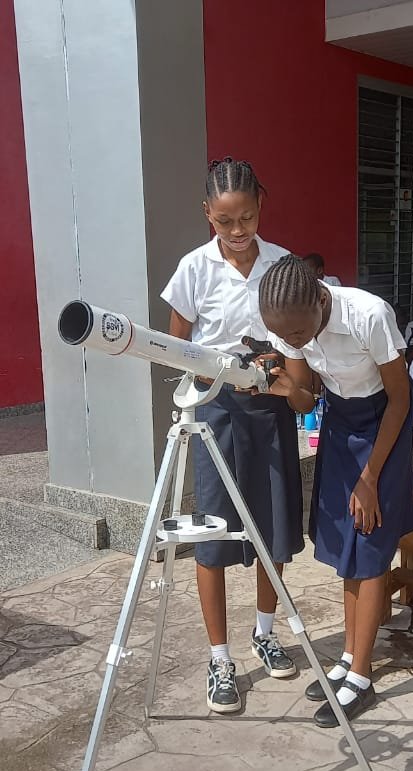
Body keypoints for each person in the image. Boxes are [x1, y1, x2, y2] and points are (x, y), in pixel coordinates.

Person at [161, 158, 312, 714]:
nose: (238, 230)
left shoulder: (281, 266)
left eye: (246, 216)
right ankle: (220, 656)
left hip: (270, 409)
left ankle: (265, 632)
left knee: (272, 528)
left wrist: (273, 372)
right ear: (208, 215)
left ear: (261, 206)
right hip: (215, 413)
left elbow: (299, 342)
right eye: (225, 221)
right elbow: (177, 347)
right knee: (215, 533)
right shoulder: (194, 269)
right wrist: (218, 373)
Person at [258, 254, 413, 727]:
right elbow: (307, 395)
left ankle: (361, 677)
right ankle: (349, 657)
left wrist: (369, 479)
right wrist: (282, 387)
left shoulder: (368, 314)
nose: (293, 343)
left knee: (369, 544)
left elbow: (401, 398)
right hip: (342, 426)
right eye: (286, 338)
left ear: (321, 300)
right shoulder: (289, 325)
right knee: (347, 547)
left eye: (300, 336)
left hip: (389, 426)